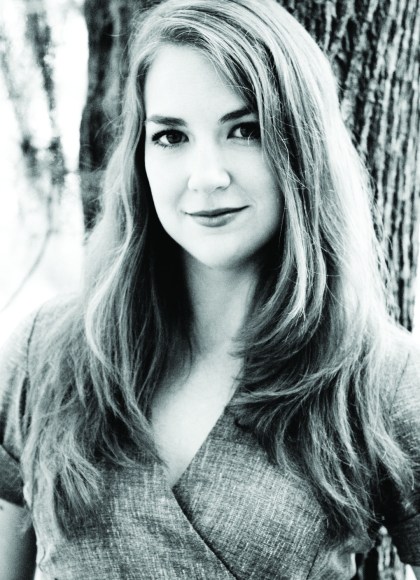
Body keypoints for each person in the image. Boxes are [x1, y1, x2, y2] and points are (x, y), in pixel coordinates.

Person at [1, 0, 419, 578]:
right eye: (171, 136)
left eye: (244, 130)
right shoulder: (48, 351)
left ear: (304, 146)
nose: (206, 176)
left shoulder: (380, 378)